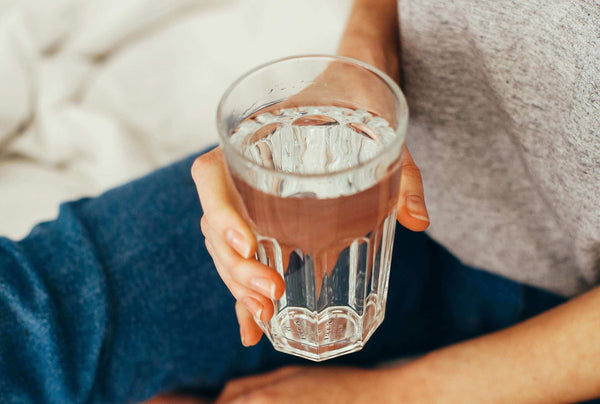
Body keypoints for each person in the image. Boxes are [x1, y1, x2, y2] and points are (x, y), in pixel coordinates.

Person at [0, 0, 598, 402]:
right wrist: (364, 60)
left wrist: (394, 393)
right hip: (395, 167)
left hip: (561, 308)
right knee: (25, 318)